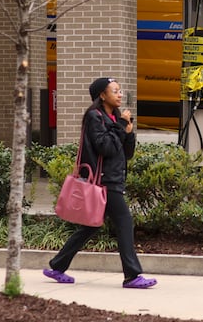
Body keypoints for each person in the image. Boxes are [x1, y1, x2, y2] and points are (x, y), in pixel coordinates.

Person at [43, 77, 157, 289]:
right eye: (115, 91)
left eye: (120, 91)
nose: (120, 94)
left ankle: (56, 266)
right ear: (102, 95)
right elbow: (105, 147)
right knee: (124, 223)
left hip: (113, 179)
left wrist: (128, 133)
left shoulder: (113, 118)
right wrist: (121, 125)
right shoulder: (95, 117)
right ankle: (132, 276)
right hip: (104, 181)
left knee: (90, 227)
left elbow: (126, 154)